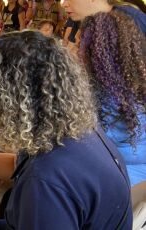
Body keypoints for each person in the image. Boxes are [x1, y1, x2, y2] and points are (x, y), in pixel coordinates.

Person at [0, 31, 132, 229]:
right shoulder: (77, 129)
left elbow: (39, 178)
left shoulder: (45, 182)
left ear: (11, 100)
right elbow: (16, 163)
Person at [63, 0, 146, 186]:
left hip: (114, 190)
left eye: (79, 46)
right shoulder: (130, 95)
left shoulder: (100, 105)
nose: (64, 4)